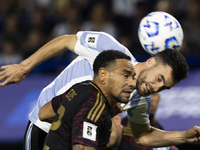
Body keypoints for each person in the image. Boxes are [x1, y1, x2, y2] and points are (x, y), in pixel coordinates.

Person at [0, 31, 199, 150]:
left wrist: (184, 136)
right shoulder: (109, 48)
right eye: (159, 79)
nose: (156, 88)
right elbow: (65, 41)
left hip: (80, 139)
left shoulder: (138, 100)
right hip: (44, 130)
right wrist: (24, 67)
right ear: (150, 61)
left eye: (164, 87)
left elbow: (143, 137)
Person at [38, 50, 136, 150]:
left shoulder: (81, 88)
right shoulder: (95, 106)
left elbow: (44, 113)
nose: (133, 83)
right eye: (125, 76)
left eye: (133, 77)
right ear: (103, 75)